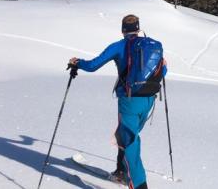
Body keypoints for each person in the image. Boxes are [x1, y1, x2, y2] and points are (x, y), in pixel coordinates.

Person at [69, 14, 166, 189]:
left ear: (123, 30)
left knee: (129, 142)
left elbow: (92, 66)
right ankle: (122, 171)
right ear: (138, 28)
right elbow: (163, 70)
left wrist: (78, 63)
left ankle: (139, 184)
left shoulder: (119, 46)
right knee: (128, 135)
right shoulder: (151, 47)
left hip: (129, 101)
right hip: (149, 100)